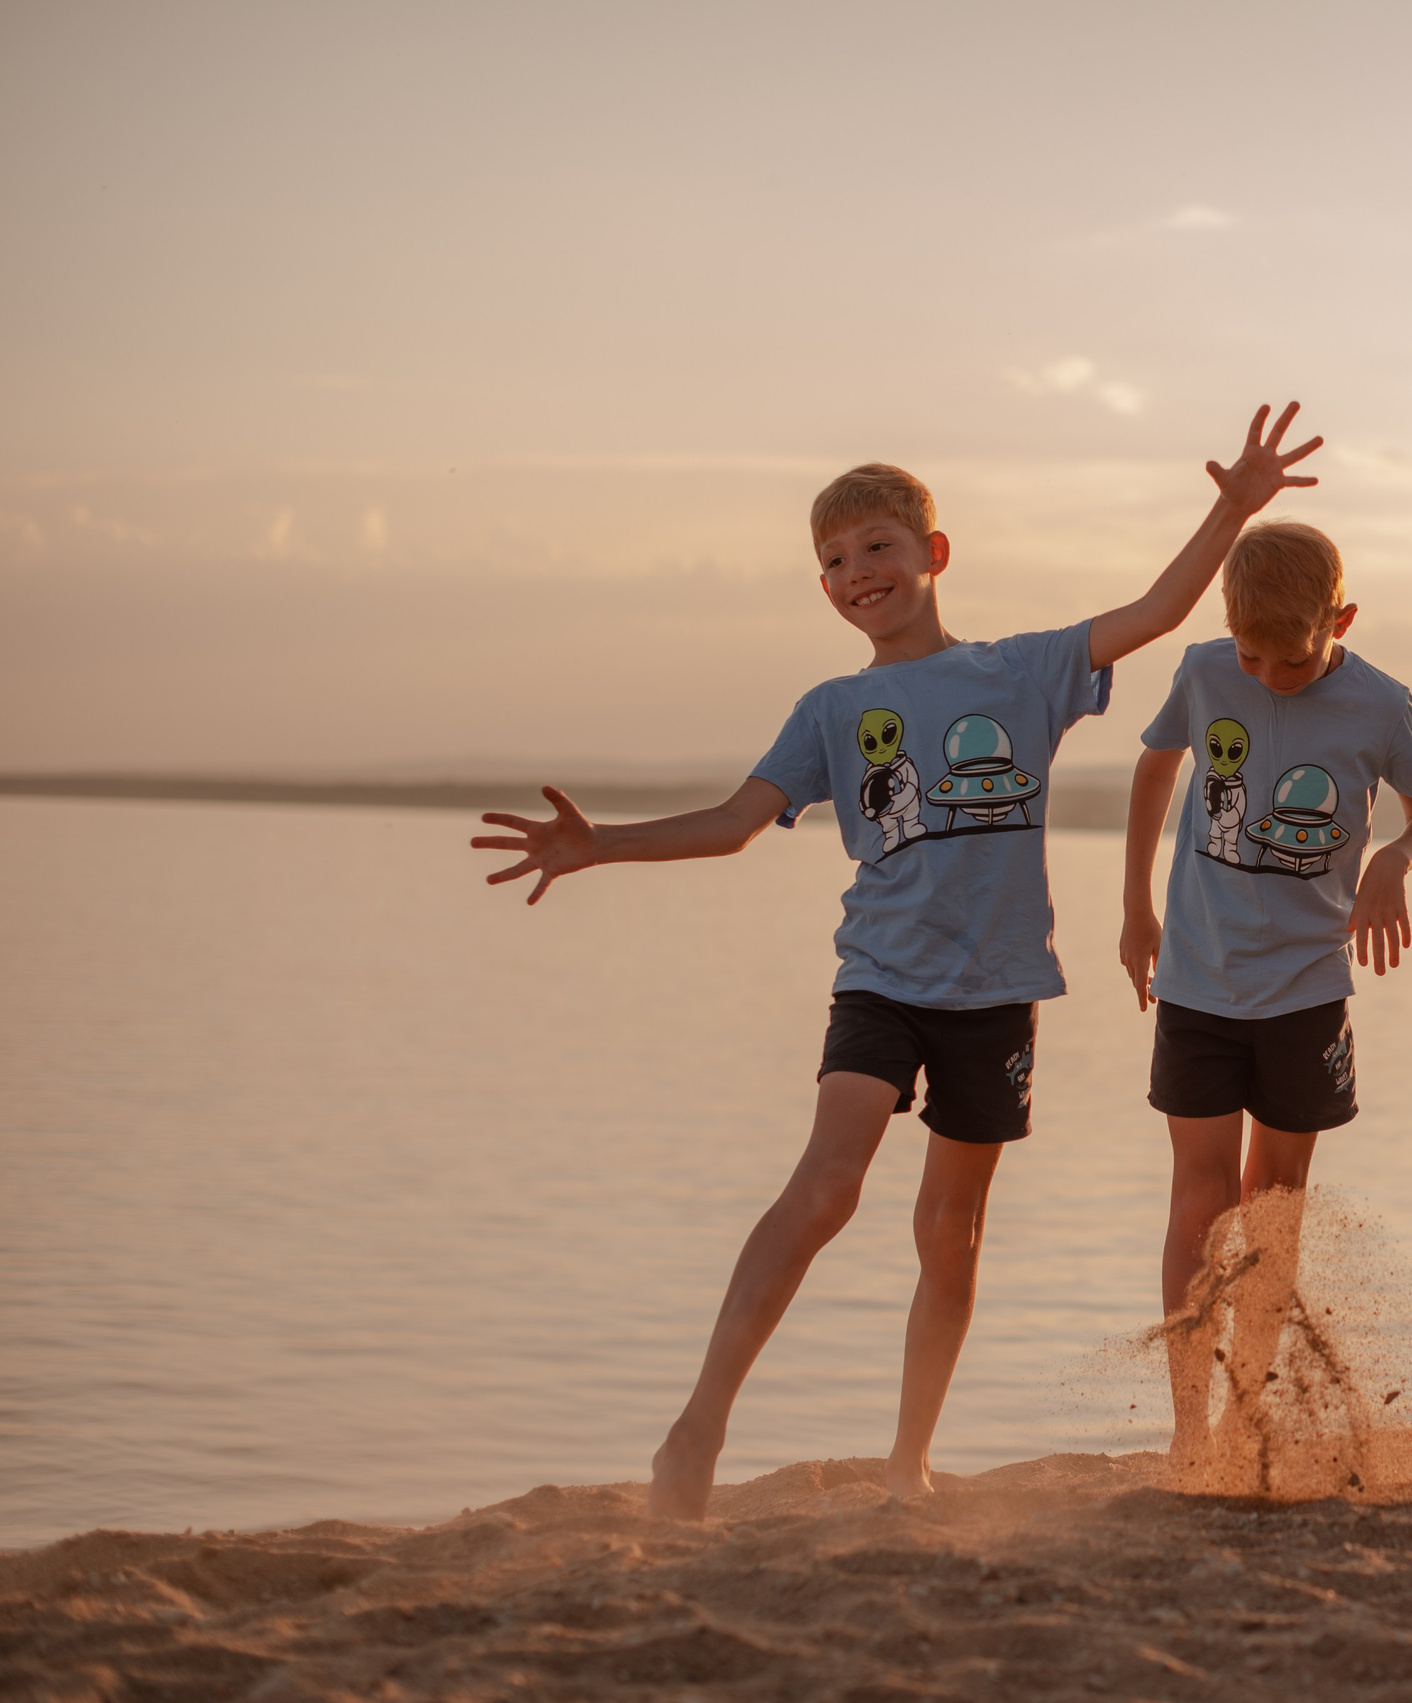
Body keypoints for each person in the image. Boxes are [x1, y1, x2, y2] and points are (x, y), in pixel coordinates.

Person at [469, 405, 1322, 1514]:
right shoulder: (832, 707)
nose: (855, 570)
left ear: (934, 553)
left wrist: (1233, 504)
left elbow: (1158, 612)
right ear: (822, 588)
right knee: (825, 1186)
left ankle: (908, 1457)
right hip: (879, 979)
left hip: (998, 997)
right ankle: (697, 1426)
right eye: (832, 559)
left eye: (877, 545)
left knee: (950, 1231)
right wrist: (602, 845)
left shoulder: (1023, 672)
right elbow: (736, 820)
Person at [1117, 520, 1412, 1462]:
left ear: (1338, 620)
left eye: (1290, 662)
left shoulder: (1382, 705)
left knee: (1274, 1200)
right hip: (1197, 977)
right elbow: (1153, 770)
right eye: (1249, 654)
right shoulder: (1204, 670)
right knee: (1200, 1194)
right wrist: (1136, 909)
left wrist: (1396, 858)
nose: (1264, 675)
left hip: (1307, 988)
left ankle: (1243, 1417)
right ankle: (1189, 1428)